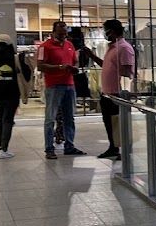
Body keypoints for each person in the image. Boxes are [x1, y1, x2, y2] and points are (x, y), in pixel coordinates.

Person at [87, 19, 135, 159]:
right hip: (107, 93)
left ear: (112, 31)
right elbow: (107, 66)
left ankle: (124, 150)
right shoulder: (112, 47)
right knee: (109, 123)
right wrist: (92, 56)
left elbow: (127, 72)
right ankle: (113, 147)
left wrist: (124, 92)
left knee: (119, 124)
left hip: (117, 93)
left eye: (105, 31)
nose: (104, 33)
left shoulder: (124, 48)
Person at [37, 20, 85, 159]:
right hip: (53, 86)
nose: (63, 35)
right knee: (50, 118)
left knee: (69, 117)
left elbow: (74, 61)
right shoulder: (44, 47)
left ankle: (69, 145)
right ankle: (49, 148)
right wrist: (59, 67)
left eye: (65, 33)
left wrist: (74, 69)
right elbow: (40, 66)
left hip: (69, 85)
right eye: (60, 33)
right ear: (54, 32)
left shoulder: (69, 45)